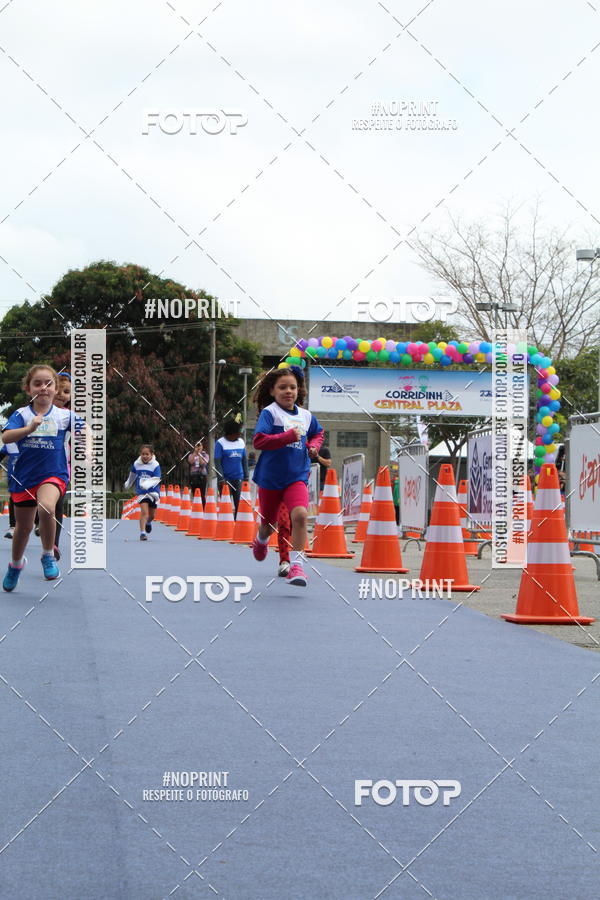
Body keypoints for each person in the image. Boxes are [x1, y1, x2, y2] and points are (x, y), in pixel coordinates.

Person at [250, 365, 324, 587]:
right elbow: (259, 441)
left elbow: (318, 433)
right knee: (268, 523)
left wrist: (313, 446)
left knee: (300, 516)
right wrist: (286, 436)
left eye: (292, 387)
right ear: (272, 391)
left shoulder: (306, 415)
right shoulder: (270, 413)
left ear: (298, 390)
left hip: (297, 476)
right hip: (271, 478)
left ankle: (297, 565)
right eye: (282, 387)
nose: (288, 391)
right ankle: (261, 539)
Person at [1, 365, 74, 590]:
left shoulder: (64, 416)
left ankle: (47, 553)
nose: (43, 388)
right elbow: (6, 437)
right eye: (38, 384)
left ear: (55, 388)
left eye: (48, 384)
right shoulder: (21, 415)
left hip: (53, 474)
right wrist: (29, 428)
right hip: (24, 477)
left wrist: (89, 449)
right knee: (22, 528)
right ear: (28, 388)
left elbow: (86, 429)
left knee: (47, 508)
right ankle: (15, 565)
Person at [124, 444, 161, 541]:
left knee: (152, 515)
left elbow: (157, 479)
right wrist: (128, 484)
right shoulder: (136, 464)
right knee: (144, 512)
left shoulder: (155, 465)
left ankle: (148, 522)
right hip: (141, 492)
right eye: (143, 454)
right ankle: (142, 533)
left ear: (151, 454)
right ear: (140, 454)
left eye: (147, 454)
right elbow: (132, 475)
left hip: (153, 493)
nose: (145, 456)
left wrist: (147, 484)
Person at [214, 420, 248, 516]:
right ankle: (226, 526)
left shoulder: (241, 442)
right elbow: (217, 462)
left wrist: (246, 477)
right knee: (226, 506)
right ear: (231, 433)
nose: (239, 434)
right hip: (225, 480)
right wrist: (221, 479)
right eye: (237, 432)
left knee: (240, 505)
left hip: (238, 479)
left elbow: (244, 460)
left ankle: (238, 525)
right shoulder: (220, 443)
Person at [188, 440, 209, 505]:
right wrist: (195, 452)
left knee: (202, 494)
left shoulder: (205, 455)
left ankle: (203, 509)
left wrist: (199, 454)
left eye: (199, 445)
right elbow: (190, 461)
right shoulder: (191, 455)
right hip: (193, 476)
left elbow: (203, 463)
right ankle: (196, 509)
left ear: (202, 446)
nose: (198, 447)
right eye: (197, 446)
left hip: (202, 476)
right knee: (195, 494)